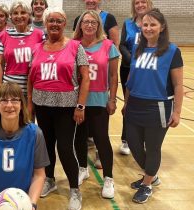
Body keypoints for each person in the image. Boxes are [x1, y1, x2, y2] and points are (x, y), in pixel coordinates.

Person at [28, 7, 90, 210]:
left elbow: (86, 78)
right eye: (51, 20)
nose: (54, 24)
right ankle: (50, 180)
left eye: (59, 21)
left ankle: (74, 190)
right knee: (45, 146)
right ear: (45, 24)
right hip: (41, 104)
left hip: (66, 106)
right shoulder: (36, 48)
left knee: (64, 147)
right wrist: (30, 105)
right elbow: (31, 78)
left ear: (65, 24)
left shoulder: (75, 47)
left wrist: (80, 106)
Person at [123, 8, 183, 203]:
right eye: (145, 24)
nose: (148, 28)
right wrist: (126, 101)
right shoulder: (138, 48)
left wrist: (177, 112)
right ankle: (151, 174)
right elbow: (131, 78)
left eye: (153, 24)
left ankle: (147, 184)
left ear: (162, 27)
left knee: (153, 147)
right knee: (133, 144)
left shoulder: (172, 51)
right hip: (134, 105)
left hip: (158, 106)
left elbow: (178, 84)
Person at [0, 82, 49, 210]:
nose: (9, 105)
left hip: (22, 202)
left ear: (21, 104)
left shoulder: (35, 134)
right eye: (4, 100)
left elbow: (39, 175)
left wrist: (31, 204)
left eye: (14, 100)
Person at [73, 10, 119, 199]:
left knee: (101, 138)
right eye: (86, 22)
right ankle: (82, 168)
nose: (90, 25)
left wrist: (112, 99)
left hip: (99, 99)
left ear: (98, 25)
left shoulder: (108, 45)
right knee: (79, 137)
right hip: (77, 100)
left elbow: (113, 76)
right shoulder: (73, 45)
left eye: (93, 22)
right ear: (80, 25)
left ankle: (108, 177)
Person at [119, 0, 153, 155]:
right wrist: (133, 62)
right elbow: (122, 45)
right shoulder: (128, 23)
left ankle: (144, 140)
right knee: (129, 103)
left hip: (149, 69)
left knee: (145, 103)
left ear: (149, 3)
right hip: (128, 68)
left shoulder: (155, 22)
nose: (140, 5)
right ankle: (126, 139)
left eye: (143, 1)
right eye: (137, 2)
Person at [0, 0, 44, 96]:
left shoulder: (39, 34)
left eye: (23, 12)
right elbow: (0, 64)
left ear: (29, 15)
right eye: (15, 13)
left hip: (32, 87)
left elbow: (42, 62)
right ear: (11, 16)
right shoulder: (4, 35)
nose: (19, 16)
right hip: (9, 87)